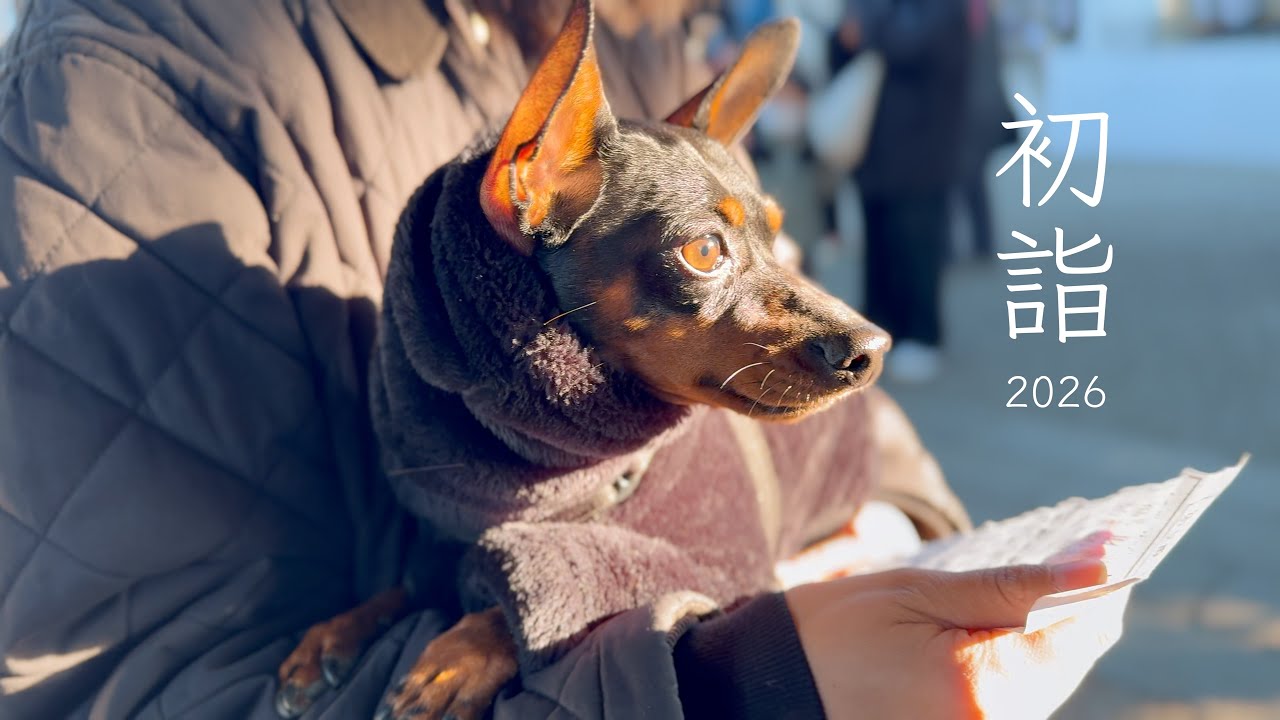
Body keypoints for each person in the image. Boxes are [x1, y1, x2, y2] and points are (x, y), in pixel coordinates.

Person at [0, 1, 1121, 718]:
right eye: (706, 252)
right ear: (528, 169)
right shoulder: (139, 82)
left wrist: (897, 539)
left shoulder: (640, 32)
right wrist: (735, 683)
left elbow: (868, 449)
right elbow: (110, 680)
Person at [850, 0, 971, 383]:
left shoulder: (944, 9)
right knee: (880, 244)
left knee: (917, 243)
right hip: (878, 148)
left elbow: (907, 44)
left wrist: (864, 25)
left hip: (923, 149)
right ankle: (881, 327)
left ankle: (922, 334)